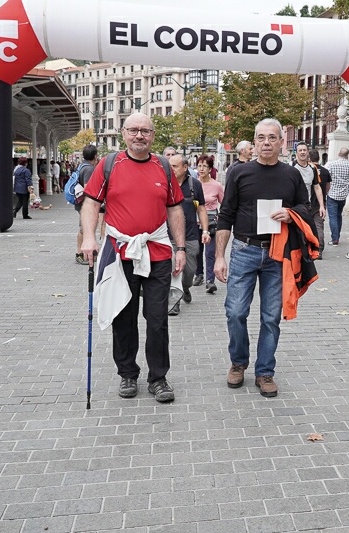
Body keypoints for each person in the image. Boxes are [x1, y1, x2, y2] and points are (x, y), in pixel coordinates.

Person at [80, 113, 186, 403]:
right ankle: (127, 373)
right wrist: (89, 237)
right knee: (123, 317)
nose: (140, 135)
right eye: (134, 130)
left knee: (157, 319)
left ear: (153, 136)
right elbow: (91, 203)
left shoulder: (163, 167)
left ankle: (158, 378)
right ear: (123, 133)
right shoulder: (109, 164)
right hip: (120, 253)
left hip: (158, 253)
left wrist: (180, 248)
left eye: (145, 131)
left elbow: (175, 208)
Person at [214, 118, 309, 398]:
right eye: (261, 137)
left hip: (278, 254)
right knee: (235, 312)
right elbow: (226, 215)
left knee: (270, 317)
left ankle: (265, 371)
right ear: (254, 142)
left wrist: (291, 214)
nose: (266, 142)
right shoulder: (239, 172)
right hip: (244, 250)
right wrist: (219, 257)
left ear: (281, 143)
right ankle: (238, 362)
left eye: (272, 137)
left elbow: (306, 207)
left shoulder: (291, 175)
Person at [168, 155, 210, 314]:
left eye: (175, 166)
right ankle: (174, 301)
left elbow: (202, 209)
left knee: (189, 271)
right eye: (170, 166)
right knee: (174, 270)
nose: (171, 169)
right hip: (170, 236)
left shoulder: (194, 185)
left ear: (185, 167)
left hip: (191, 236)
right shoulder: (166, 184)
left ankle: (185, 287)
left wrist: (205, 231)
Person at [197, 155, 224, 294]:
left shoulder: (216, 185)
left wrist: (222, 219)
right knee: (196, 251)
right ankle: (198, 274)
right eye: (199, 166)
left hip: (211, 221)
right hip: (195, 220)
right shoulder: (193, 183)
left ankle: (210, 280)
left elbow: (224, 203)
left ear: (210, 169)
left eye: (205, 166)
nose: (201, 169)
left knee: (210, 252)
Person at [292, 143, 326, 250]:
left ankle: (313, 251)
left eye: (304, 150)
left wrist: (322, 206)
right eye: (300, 150)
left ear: (308, 153)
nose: (302, 152)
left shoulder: (312, 168)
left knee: (310, 230)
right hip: (294, 206)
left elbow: (317, 187)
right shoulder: (290, 167)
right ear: (296, 153)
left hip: (308, 206)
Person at [324, 148, 349, 246]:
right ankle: (337, 236)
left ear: (338, 154)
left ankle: (335, 238)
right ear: (347, 155)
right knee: (338, 215)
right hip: (343, 195)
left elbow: (326, 176)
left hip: (332, 193)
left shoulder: (331, 164)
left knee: (332, 217)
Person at [75, 145, 98, 265]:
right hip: (85, 204)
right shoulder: (89, 169)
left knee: (84, 228)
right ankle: (80, 254)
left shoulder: (82, 166)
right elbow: (88, 188)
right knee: (84, 228)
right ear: (95, 156)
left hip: (81, 202)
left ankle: (86, 253)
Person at [309, 149, 331, 256]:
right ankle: (320, 248)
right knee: (319, 226)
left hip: (308, 201)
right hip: (320, 202)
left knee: (307, 225)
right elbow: (328, 186)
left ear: (309, 159)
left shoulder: (308, 170)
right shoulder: (325, 171)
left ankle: (309, 246)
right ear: (319, 158)